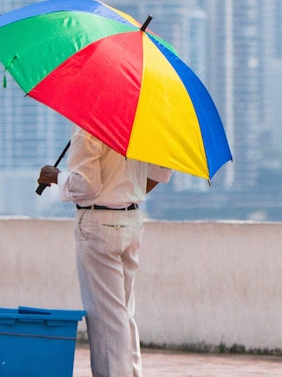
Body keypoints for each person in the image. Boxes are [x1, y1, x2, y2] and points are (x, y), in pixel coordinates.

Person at [38, 127, 171, 377]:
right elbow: (161, 172)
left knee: (106, 317)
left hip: (98, 224)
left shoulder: (87, 127)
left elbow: (85, 185)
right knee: (123, 312)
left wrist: (55, 176)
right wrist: (124, 192)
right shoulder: (141, 122)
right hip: (131, 220)